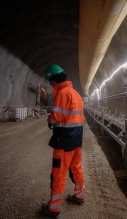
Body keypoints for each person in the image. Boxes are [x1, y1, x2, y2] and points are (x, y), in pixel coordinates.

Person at [41, 64, 86, 218]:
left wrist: (49, 119)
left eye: (50, 80)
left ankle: (53, 208)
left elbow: (56, 118)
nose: (50, 84)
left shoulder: (62, 94)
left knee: (58, 175)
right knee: (76, 169)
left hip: (64, 142)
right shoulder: (76, 94)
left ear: (55, 79)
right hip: (76, 140)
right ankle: (79, 196)